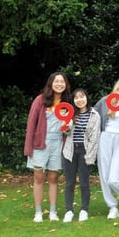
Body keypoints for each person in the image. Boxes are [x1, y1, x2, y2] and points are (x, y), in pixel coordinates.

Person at [25, 72, 72, 222]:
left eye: (62, 82)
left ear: (66, 85)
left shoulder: (67, 103)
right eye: (56, 81)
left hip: (58, 143)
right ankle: (38, 212)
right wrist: (28, 147)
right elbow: (31, 124)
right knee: (39, 177)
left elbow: (70, 125)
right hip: (40, 144)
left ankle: (53, 212)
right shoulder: (40, 100)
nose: (59, 84)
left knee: (53, 177)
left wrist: (68, 128)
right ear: (51, 83)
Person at [95, 75, 119, 220]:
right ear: (117, 85)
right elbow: (93, 117)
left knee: (113, 179)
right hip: (105, 137)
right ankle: (112, 207)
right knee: (104, 176)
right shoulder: (105, 101)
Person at [62, 88, 100, 223]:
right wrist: (66, 127)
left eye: (82, 96)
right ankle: (69, 211)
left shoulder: (94, 115)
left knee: (84, 183)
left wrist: (90, 156)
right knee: (69, 183)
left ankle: (84, 210)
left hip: (85, 151)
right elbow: (65, 132)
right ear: (73, 101)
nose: (79, 100)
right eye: (76, 98)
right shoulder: (69, 114)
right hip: (69, 151)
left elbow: (95, 138)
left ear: (86, 98)